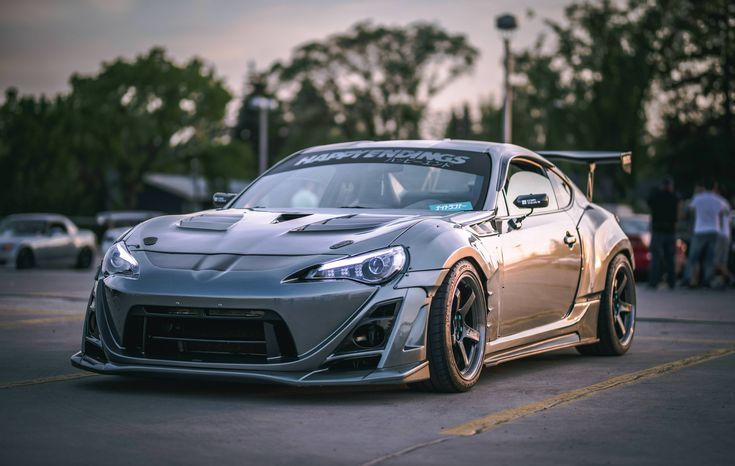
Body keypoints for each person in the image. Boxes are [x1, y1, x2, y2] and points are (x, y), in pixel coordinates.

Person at [682, 178, 729, 287]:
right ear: (714, 188)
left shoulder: (698, 198)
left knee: (693, 257)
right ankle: (707, 279)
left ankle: (688, 278)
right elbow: (725, 211)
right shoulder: (719, 200)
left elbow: (689, 210)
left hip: (700, 230)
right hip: (714, 230)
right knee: (710, 258)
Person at [647, 176, 679, 289]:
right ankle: (672, 282)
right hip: (670, 231)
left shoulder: (656, 196)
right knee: (670, 258)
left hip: (657, 230)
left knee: (655, 257)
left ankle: (653, 282)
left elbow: (649, 202)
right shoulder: (674, 197)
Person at [712, 186, 733, 287]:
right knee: (723, 261)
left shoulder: (717, 202)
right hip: (727, 234)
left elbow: (719, 218)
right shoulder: (726, 203)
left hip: (720, 234)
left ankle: (730, 278)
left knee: (716, 261)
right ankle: (722, 281)